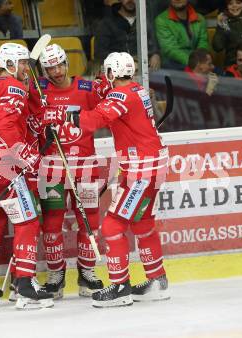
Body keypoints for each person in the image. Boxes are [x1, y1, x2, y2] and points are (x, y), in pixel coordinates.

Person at [41, 52, 170, 307]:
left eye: (106, 73)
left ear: (112, 73)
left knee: (112, 226)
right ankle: (157, 281)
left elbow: (93, 119)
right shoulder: (138, 89)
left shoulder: (120, 95)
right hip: (152, 165)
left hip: (141, 172)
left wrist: (61, 117)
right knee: (143, 223)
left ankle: (120, 287)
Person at [0, 42, 53, 309]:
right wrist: (26, 155)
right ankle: (24, 285)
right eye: (23, 63)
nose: (26, 68)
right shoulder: (12, 86)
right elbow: (6, 126)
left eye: (27, 62)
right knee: (28, 221)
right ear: (10, 64)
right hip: (3, 163)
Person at [28, 44, 106, 299]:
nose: (57, 72)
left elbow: (106, 111)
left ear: (67, 63)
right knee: (51, 223)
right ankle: (56, 275)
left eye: (60, 65)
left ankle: (87, 272)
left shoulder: (86, 88)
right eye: (50, 68)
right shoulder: (39, 90)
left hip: (84, 165)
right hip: (51, 166)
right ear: (44, 70)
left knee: (89, 219)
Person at [94, 0, 161, 71]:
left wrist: (156, 54)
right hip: (117, 74)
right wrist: (126, 62)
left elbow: (155, 44)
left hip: (145, 72)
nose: (130, 0)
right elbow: (99, 54)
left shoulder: (145, 20)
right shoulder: (106, 23)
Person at [155, 0, 209, 70]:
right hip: (173, 64)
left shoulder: (200, 18)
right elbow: (170, 49)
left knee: (219, 74)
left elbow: (203, 43)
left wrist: (201, 61)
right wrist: (193, 63)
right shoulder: (161, 20)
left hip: (198, 62)